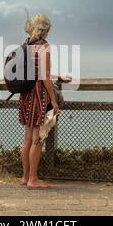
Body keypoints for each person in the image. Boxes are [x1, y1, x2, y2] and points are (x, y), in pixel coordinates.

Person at [18, 14, 71, 190]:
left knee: (27, 138)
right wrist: (54, 102)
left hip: (25, 94)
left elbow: (37, 73)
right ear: (46, 30)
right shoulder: (44, 47)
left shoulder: (27, 45)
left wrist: (58, 76)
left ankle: (25, 177)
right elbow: (45, 77)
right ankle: (33, 179)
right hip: (38, 96)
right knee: (37, 139)